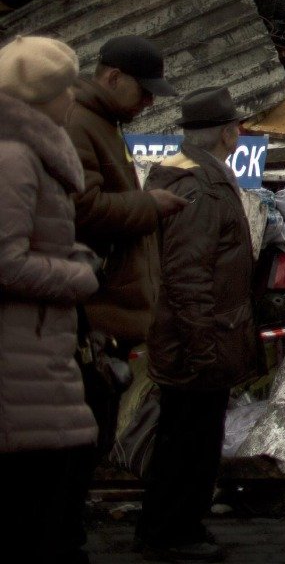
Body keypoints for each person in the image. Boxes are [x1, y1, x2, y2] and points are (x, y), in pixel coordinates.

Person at [136, 86, 258, 563]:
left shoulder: (197, 172)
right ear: (229, 132)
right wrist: (201, 346)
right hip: (196, 340)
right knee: (186, 443)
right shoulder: (201, 187)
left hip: (200, 335)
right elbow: (187, 273)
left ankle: (176, 527)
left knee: (192, 439)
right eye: (237, 126)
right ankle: (167, 534)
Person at [0, 36, 102, 564]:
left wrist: (71, 253)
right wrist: (78, 275)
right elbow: (4, 260)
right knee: (34, 524)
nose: (72, 102)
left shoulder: (31, 154)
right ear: (45, 96)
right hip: (19, 366)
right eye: (67, 90)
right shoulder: (15, 157)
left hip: (38, 358)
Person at [65, 34, 186, 450]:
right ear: (114, 78)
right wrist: (148, 205)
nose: (150, 103)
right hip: (94, 319)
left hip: (110, 319)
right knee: (82, 443)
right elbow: (83, 209)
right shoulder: (79, 123)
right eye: (145, 91)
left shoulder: (103, 124)